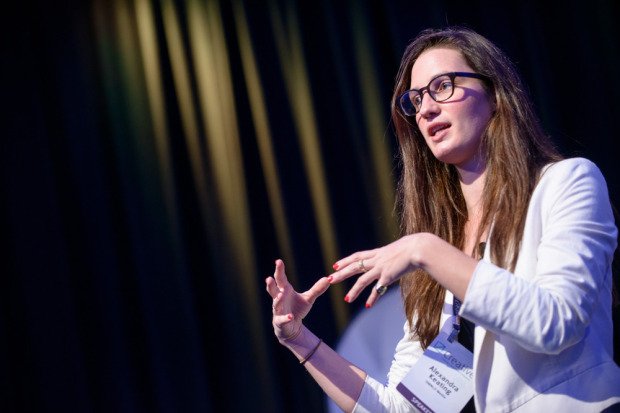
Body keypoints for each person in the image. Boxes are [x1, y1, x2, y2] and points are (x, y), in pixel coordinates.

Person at [265, 27, 620, 412]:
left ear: (494, 94)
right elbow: (401, 408)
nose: (426, 109)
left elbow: (557, 323)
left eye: (443, 86)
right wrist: (299, 339)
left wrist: (424, 249)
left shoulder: (567, 182)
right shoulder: (439, 246)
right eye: (416, 99)